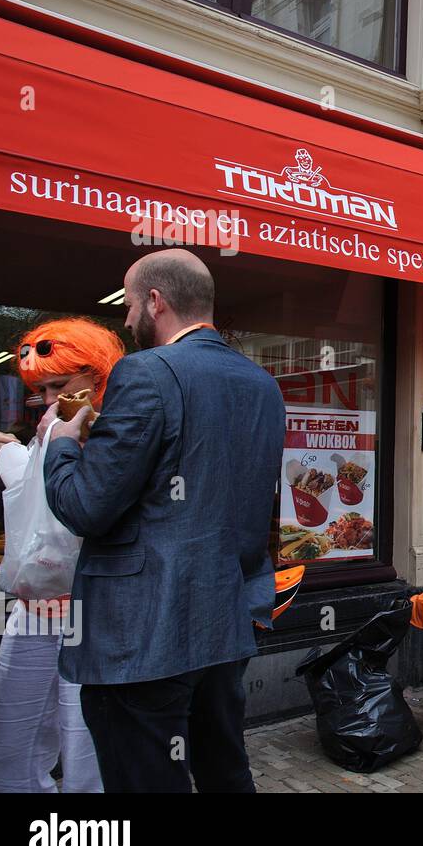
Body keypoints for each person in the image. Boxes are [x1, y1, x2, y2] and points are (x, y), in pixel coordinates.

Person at [43, 248, 285, 793]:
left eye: (129, 305)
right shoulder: (262, 384)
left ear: (155, 301)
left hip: (144, 636)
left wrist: (63, 445)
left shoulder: (145, 372)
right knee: (225, 771)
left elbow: (85, 505)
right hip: (225, 622)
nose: (126, 320)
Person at [0, 318, 123, 793]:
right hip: (35, 606)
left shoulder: (120, 430)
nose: (48, 399)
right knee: (12, 729)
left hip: (93, 606)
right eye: (40, 389)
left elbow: (86, 507)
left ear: (97, 375)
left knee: (86, 737)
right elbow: (44, 502)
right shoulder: (52, 427)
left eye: (59, 385)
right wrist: (16, 452)